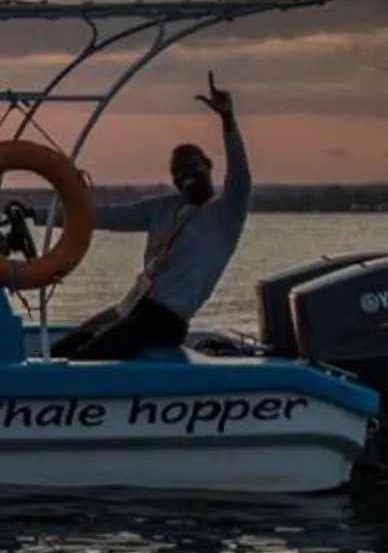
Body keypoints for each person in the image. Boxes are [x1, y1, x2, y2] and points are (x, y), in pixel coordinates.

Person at [53, 73, 251, 362]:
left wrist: (228, 121)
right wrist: (46, 216)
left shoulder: (225, 215)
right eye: (177, 173)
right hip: (134, 304)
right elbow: (109, 216)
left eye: (192, 168)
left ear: (208, 166)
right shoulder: (162, 208)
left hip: (166, 319)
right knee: (64, 349)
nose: (185, 178)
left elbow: (241, 176)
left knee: (91, 355)